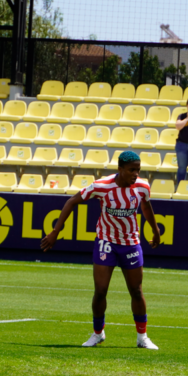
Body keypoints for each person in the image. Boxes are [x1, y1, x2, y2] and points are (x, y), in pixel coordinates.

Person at [41, 150, 162, 349]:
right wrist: (56, 231)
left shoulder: (142, 186)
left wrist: (155, 231)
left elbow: (146, 206)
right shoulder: (102, 186)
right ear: (120, 169)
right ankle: (98, 333)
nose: (135, 174)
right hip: (106, 241)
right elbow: (71, 201)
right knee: (100, 291)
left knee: (136, 291)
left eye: (138, 170)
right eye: (131, 170)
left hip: (131, 243)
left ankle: (142, 337)